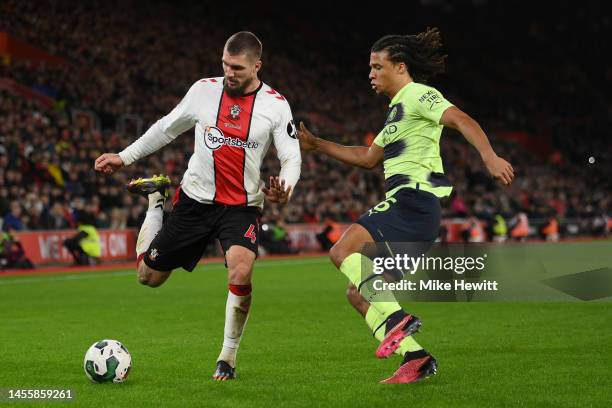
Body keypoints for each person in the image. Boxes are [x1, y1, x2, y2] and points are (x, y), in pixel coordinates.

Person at [298, 27, 514, 384]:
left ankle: (398, 321)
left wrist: (489, 157)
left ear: (400, 67)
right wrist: (318, 144)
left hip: (413, 200)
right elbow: (369, 157)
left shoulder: (418, 94)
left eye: (376, 66)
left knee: (342, 251)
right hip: (415, 211)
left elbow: (462, 119)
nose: (370, 74)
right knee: (359, 293)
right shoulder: (397, 112)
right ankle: (416, 357)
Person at [94, 32, 301, 381]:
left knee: (241, 269)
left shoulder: (275, 105)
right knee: (148, 277)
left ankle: (227, 358)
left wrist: (287, 187)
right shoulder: (204, 90)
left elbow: (291, 156)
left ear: (257, 66)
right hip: (194, 202)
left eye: (237, 67)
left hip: (242, 207)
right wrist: (124, 157)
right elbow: (167, 128)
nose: (229, 72)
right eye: (225, 64)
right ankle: (156, 201)